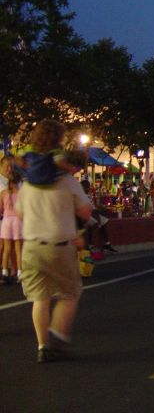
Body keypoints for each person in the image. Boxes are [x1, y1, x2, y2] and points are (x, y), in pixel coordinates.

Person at [16, 147, 93, 363]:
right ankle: (57, 335)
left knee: (40, 298)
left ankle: (43, 346)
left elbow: (20, 212)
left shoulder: (28, 182)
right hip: (59, 245)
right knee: (70, 293)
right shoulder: (67, 181)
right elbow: (86, 212)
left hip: (31, 246)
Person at [16, 120, 72, 185]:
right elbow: (62, 164)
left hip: (29, 185)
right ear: (56, 137)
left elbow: (18, 160)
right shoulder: (56, 152)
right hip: (51, 186)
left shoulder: (28, 148)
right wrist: (72, 168)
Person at [79, 179, 117, 254]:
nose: (88, 188)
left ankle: (107, 244)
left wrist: (101, 207)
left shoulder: (88, 195)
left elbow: (94, 206)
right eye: (86, 187)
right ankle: (90, 246)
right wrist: (96, 214)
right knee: (94, 224)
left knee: (105, 222)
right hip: (86, 214)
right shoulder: (81, 196)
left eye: (88, 187)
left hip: (94, 213)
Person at [1, 167, 23, 283]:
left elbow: (0, 209)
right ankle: (20, 273)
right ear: (18, 181)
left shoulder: (3, 193)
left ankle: (4, 273)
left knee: (7, 249)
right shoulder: (21, 193)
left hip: (6, 221)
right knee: (18, 249)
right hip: (18, 221)